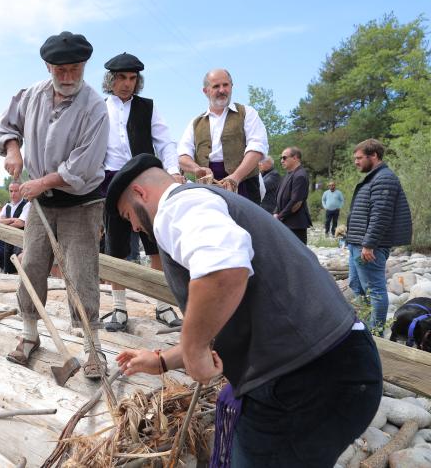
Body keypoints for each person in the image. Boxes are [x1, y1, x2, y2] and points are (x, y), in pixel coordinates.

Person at [107, 154, 382, 467]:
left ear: (141, 193)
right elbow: (220, 310)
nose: (134, 226)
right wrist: (162, 361)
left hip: (307, 379)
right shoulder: (207, 203)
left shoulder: (176, 207)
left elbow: (224, 269)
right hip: (334, 368)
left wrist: (195, 350)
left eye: (128, 215)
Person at [0, 30, 108, 378]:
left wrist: (41, 181)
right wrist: (13, 150)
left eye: (75, 68)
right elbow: (7, 126)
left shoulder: (95, 107)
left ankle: (93, 348)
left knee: (81, 271)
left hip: (81, 201)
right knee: (31, 264)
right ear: (48, 66)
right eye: (60, 70)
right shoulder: (30, 95)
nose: (68, 76)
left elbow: (82, 165)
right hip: (41, 201)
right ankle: (30, 335)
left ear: (84, 65)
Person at [99, 52, 184, 332]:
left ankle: (162, 304)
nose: (127, 83)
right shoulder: (98, 108)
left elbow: (165, 141)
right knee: (116, 247)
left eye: (132, 78)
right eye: (121, 77)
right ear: (110, 80)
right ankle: (119, 307)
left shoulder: (148, 107)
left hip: (145, 178)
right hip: (111, 181)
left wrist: (172, 171)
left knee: (156, 243)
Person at [347, 139, 412, 331]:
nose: (356, 162)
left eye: (359, 158)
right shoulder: (374, 177)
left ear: (373, 155)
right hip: (357, 244)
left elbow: (381, 214)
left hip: (369, 247)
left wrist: (369, 244)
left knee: (374, 290)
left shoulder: (384, 178)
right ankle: (364, 326)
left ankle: (375, 332)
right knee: (356, 285)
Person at [177, 69, 269, 204]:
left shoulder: (247, 113)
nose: (222, 90)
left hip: (244, 183)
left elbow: (257, 148)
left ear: (231, 86)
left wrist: (235, 177)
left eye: (225, 85)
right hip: (208, 189)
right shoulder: (195, 123)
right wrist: (196, 169)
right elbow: (182, 156)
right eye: (216, 86)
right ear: (206, 91)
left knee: (246, 224)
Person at [273, 147, 312, 244]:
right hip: (286, 222)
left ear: (295, 158)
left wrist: (279, 216)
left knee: (298, 255)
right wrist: (275, 212)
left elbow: (296, 202)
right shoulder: (288, 174)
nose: (282, 161)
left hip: (295, 224)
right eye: (281, 158)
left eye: (284, 158)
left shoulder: (300, 175)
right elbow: (280, 198)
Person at [0, 183, 30, 274]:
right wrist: (11, 219)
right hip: (8, 243)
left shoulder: (27, 204)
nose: (13, 194)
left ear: (21, 191)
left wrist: (4, 222)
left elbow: (20, 223)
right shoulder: (7, 206)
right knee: (8, 271)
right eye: (11, 191)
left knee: (20, 269)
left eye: (16, 191)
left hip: (21, 242)